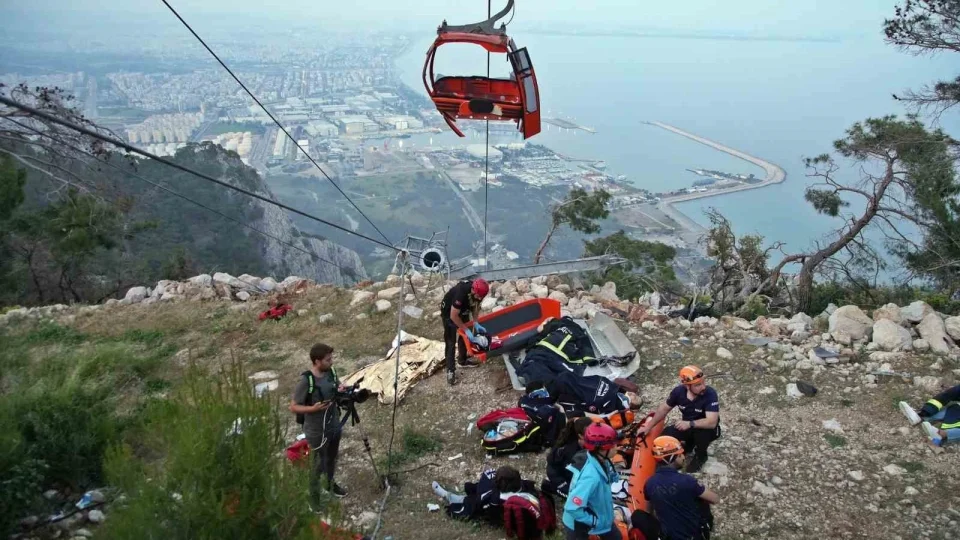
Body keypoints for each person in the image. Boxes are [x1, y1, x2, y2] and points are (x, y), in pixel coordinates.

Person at [289, 343, 347, 505]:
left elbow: (336, 386)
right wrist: (312, 408)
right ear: (317, 361)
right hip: (316, 430)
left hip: (334, 424)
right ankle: (313, 499)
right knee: (317, 465)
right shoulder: (306, 381)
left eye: (331, 358)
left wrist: (341, 389)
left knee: (332, 458)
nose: (332, 362)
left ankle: (329, 484)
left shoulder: (331, 372)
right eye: (328, 360)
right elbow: (293, 406)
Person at [638, 366, 720, 473]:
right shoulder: (678, 392)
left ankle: (701, 456)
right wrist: (648, 427)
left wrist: (689, 423)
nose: (703, 387)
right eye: (698, 385)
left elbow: (712, 422)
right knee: (667, 433)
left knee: (702, 434)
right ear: (687, 386)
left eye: (703, 382)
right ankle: (671, 457)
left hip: (705, 428)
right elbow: (664, 409)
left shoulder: (710, 394)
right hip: (688, 426)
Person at [433, 466, 552, 538]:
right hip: (526, 519)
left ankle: (449, 496)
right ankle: (465, 491)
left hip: (497, 513)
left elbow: (484, 503)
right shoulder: (526, 486)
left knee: (473, 500)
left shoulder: (496, 498)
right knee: (478, 489)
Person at [644, 436, 720, 540]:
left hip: (668, 536)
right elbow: (715, 499)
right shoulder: (687, 481)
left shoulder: (649, 483)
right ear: (671, 458)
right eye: (680, 455)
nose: (683, 457)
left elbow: (649, 512)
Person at [562, 423, 622, 540]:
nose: (617, 447)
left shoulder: (598, 458)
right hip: (579, 524)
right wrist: (595, 522)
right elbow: (572, 507)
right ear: (602, 449)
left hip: (601, 515)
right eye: (613, 445)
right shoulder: (590, 477)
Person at [440, 278, 489, 385]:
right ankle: (450, 370)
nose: (480, 298)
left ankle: (462, 360)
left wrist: (476, 322)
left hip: (463, 310)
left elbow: (476, 306)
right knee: (451, 341)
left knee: (464, 336)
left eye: (482, 297)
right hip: (449, 312)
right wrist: (466, 329)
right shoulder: (461, 293)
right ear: (473, 290)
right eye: (478, 296)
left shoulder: (478, 293)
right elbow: (453, 316)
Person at [543, 416, 593, 498]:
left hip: (567, 470)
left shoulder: (582, 444)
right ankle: (551, 486)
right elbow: (573, 474)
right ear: (581, 436)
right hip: (559, 476)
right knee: (580, 498)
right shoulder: (571, 453)